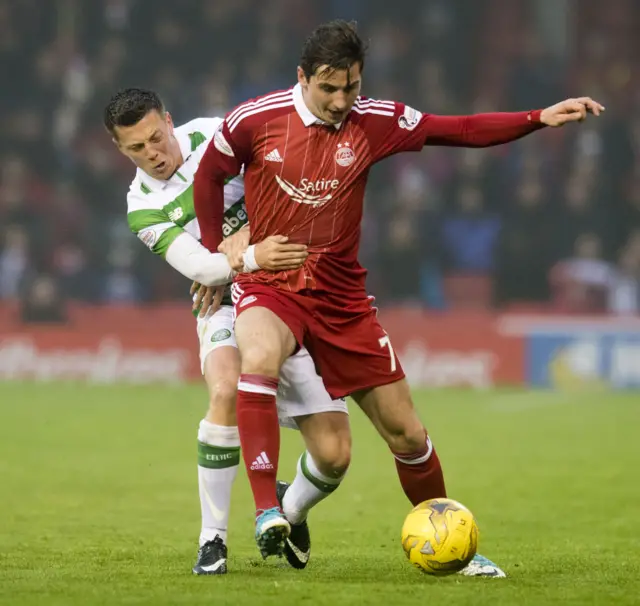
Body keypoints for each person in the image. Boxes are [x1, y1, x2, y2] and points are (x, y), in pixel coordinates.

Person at [193, 20, 604, 577]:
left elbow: (457, 129)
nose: (342, 100)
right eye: (329, 88)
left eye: (352, 87)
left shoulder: (375, 121)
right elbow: (210, 176)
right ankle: (267, 509)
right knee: (258, 359)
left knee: (407, 434)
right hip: (274, 285)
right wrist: (220, 257)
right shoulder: (255, 120)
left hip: (342, 299)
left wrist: (537, 118)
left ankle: (453, 546)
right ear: (302, 77)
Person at [104, 88, 353, 575]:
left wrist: (243, 242)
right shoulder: (141, 207)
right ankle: (212, 541)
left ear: (170, 120)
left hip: (292, 290)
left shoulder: (220, 135)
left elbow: (290, 186)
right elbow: (199, 266)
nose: (152, 153)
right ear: (121, 150)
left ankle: (291, 507)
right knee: (224, 388)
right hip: (223, 301)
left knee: (334, 456)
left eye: (156, 137)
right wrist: (240, 257)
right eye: (137, 148)